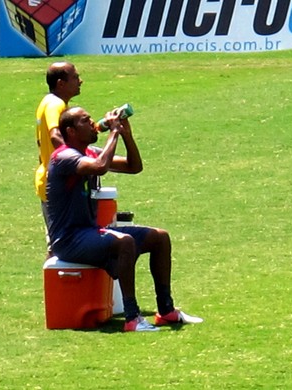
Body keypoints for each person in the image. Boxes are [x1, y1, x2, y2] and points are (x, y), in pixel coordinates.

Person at [46, 106, 203, 332]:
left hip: (88, 233)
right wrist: (114, 133)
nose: (92, 123)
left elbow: (134, 167)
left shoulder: (89, 153)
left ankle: (166, 311)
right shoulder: (64, 156)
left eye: (91, 119)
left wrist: (126, 134)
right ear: (70, 131)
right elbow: (100, 167)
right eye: (85, 120)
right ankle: (132, 317)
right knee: (125, 241)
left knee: (159, 238)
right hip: (69, 240)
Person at [34, 62, 83, 258]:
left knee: (59, 244)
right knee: (59, 247)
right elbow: (55, 135)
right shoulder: (56, 104)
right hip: (56, 186)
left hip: (49, 180)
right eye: (75, 77)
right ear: (61, 83)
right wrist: (75, 161)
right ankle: (54, 288)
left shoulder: (48, 102)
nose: (80, 81)